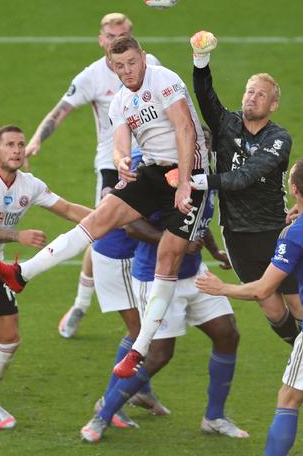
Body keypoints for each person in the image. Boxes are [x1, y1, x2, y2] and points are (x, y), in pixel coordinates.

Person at [0, 35, 208, 378]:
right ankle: (23, 273)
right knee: (100, 216)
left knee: (169, 256)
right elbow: (120, 144)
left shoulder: (163, 79)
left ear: (144, 57)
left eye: (132, 63)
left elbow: (185, 129)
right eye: (119, 66)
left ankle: (139, 349)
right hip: (152, 170)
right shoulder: (120, 101)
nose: (128, 71)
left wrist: (184, 184)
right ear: (111, 66)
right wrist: (122, 162)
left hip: (190, 173)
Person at [189, 30, 303, 424]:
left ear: (272, 104)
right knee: (270, 306)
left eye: (259, 94)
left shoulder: (278, 139)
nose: (250, 97)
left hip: (276, 231)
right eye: (248, 91)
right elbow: (205, 99)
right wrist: (201, 61)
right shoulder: (227, 125)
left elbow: (248, 176)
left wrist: (205, 181)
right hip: (238, 235)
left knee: (297, 303)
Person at [197, 159, 303, 456]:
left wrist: (222, 288)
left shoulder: (294, 234)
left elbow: (263, 289)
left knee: (288, 399)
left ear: (293, 189)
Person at [0, 125, 92, 428]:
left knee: (9, 338)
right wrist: (17, 236)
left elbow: (67, 209)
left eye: (21, 144)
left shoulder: (29, 185)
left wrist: (111, 217)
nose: (17, 150)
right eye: (10, 145)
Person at [25, 13, 161, 339]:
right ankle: (81, 304)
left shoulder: (149, 63)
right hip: (113, 163)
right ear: (101, 39)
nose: (117, 39)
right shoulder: (92, 77)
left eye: (124, 34)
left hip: (152, 158)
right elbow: (61, 110)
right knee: (101, 229)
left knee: (153, 222)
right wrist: (36, 140)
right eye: (112, 35)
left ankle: (159, 298)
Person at [81, 183, 245, 442]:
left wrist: (214, 251)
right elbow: (132, 227)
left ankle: (214, 418)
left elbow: (198, 223)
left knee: (227, 334)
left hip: (194, 273)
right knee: (158, 356)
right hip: (157, 278)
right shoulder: (160, 180)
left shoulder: (206, 178)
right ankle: (103, 414)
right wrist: (176, 242)